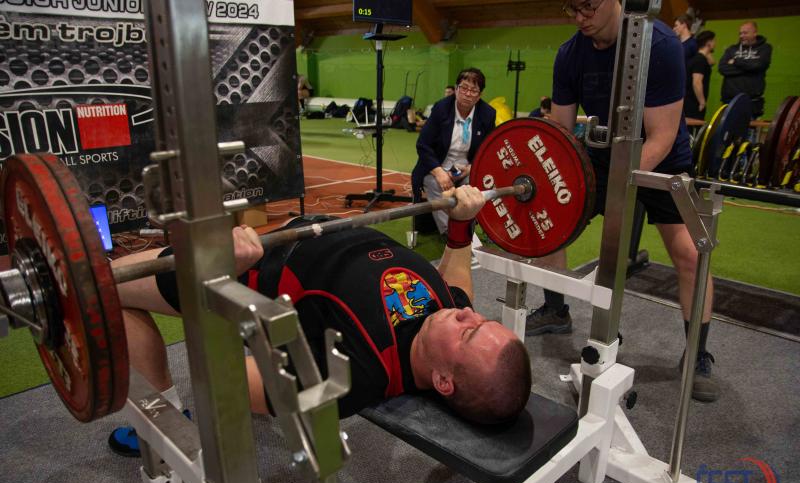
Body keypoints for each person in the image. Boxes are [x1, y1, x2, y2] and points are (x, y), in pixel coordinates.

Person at [108, 186, 532, 457]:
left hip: (251, 266)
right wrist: (461, 224)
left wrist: (221, 282)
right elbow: (458, 282)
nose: (467, 314)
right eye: (482, 319)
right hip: (300, 229)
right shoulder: (445, 314)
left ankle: (162, 428)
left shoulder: (358, 375)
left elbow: (225, 382)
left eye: (470, 332)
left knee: (109, 285)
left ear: (442, 381)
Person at [529, 0, 718, 402]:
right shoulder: (570, 54)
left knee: (691, 254)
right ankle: (556, 310)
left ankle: (697, 354)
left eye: (588, 7)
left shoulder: (660, 43)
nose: (580, 17)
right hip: (600, 156)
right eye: (571, 9)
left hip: (663, 159)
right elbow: (562, 132)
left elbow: (662, 136)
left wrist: (621, 186)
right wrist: (551, 182)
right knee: (551, 219)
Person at [411, 68, 496, 236]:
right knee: (434, 183)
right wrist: (439, 172)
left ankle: (466, 229)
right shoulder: (441, 108)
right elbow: (423, 145)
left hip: (466, 167)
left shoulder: (487, 114)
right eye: (463, 88)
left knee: (475, 184)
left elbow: (488, 150)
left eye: (473, 90)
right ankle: (449, 233)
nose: (467, 94)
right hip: (438, 165)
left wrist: (471, 168)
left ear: (479, 95)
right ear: (456, 89)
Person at [718, 21, 772, 119]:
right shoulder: (731, 49)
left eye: (745, 33)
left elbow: (758, 65)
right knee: (727, 128)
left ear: (755, 33)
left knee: (749, 128)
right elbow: (722, 68)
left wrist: (736, 62)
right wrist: (750, 68)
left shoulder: (765, 48)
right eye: (740, 33)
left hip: (751, 102)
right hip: (729, 100)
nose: (742, 36)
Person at [684, 31, 716, 121]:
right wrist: (702, 102)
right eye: (714, 41)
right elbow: (697, 82)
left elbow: (712, 62)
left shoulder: (698, 59)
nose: (715, 43)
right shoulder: (700, 60)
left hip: (690, 101)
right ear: (708, 42)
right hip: (694, 103)